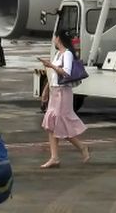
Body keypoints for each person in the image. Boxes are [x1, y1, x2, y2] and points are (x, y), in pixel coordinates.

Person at [38, 30, 90, 167]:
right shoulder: (57, 54)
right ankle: (54, 157)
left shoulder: (67, 54)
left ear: (59, 38)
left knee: (60, 125)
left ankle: (81, 147)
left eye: (55, 37)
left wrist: (51, 65)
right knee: (51, 124)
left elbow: (66, 73)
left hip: (63, 92)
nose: (53, 40)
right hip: (55, 91)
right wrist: (45, 91)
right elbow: (52, 76)